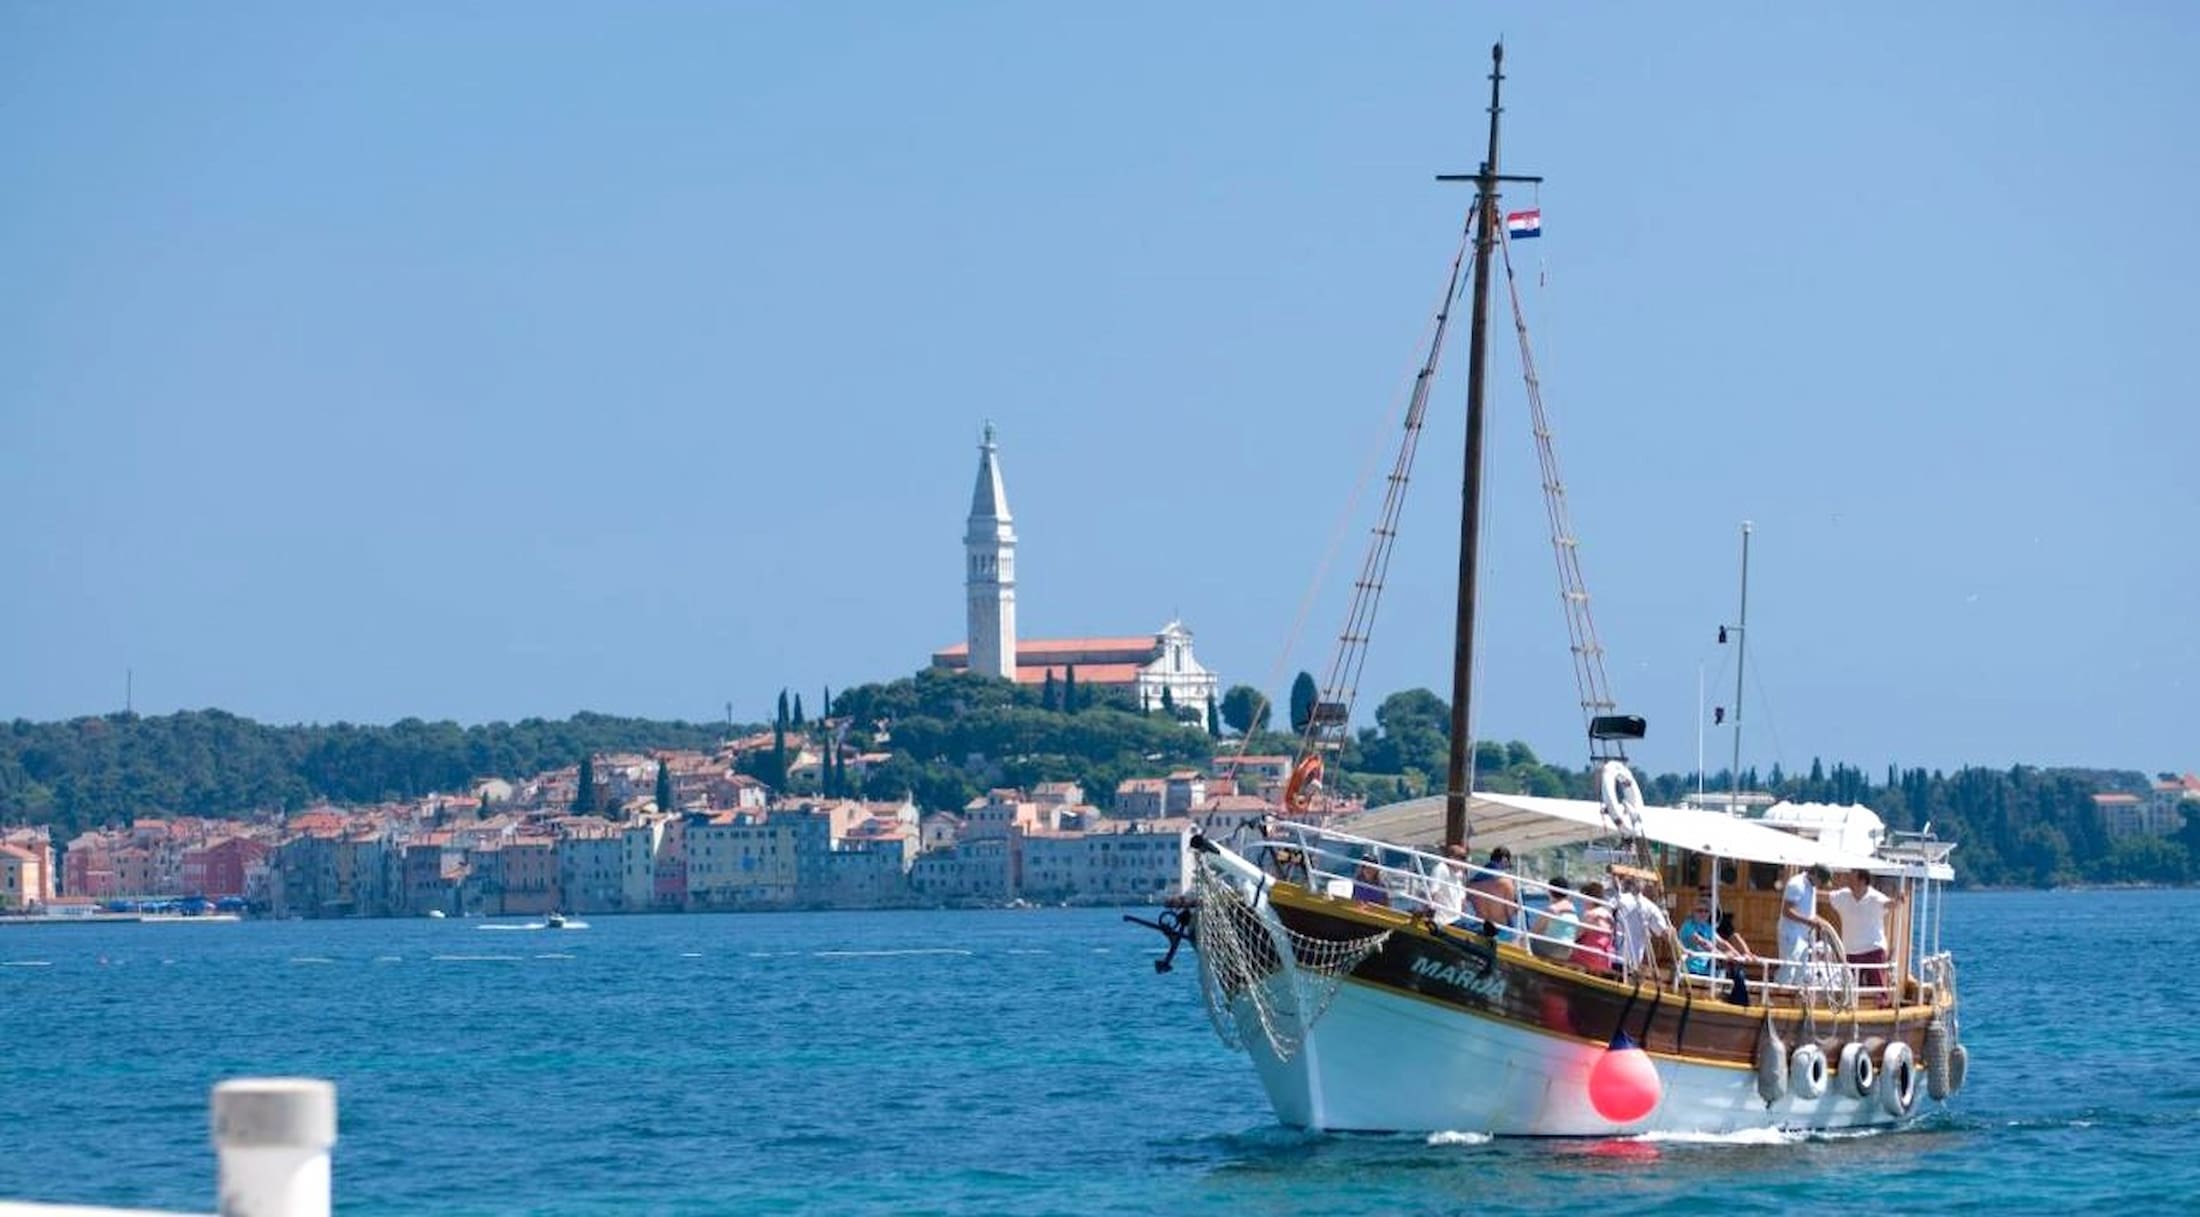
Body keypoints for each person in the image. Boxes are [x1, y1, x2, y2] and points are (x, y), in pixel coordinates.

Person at [1825, 868, 1904, 1005]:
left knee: (1878, 986)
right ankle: (1849, 1009)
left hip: (1873, 948)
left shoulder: (1875, 897)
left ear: (1862, 880)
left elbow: (1891, 904)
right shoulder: (1843, 896)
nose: (1848, 880)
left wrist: (1898, 899)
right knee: (1849, 987)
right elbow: (1825, 896)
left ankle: (1882, 1007)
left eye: (1852, 877)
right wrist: (1808, 891)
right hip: (1850, 950)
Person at [1777, 863, 1840, 988]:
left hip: (1804, 937)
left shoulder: (1812, 887)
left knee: (1801, 972)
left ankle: (1796, 1001)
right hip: (1791, 935)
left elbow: (1809, 913)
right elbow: (1787, 911)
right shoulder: (1796, 884)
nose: (1821, 885)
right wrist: (1809, 922)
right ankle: (1780, 996)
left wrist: (1822, 922)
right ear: (1815, 875)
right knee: (1788, 970)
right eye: (1821, 881)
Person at [1611, 870, 1677, 979]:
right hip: (1632, 963)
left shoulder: (1618, 900)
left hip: (1611, 958)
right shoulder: (1651, 907)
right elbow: (1664, 933)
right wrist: (1671, 930)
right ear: (1643, 887)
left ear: (1624, 884)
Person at [1466, 847, 1521, 942]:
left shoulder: (1472, 883)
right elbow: (1510, 912)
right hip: (1501, 931)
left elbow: (1468, 905)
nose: (1507, 869)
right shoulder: (1506, 882)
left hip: (1480, 927)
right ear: (1504, 860)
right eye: (1507, 866)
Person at [1569, 880, 1616, 973]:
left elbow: (1575, 936)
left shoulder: (1590, 915)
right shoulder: (1608, 915)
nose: (1583, 901)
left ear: (1588, 898)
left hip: (1588, 958)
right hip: (1605, 959)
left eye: (1584, 897)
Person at [1420, 842, 1470, 927]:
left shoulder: (1459, 874)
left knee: (1474, 926)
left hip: (1456, 919)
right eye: (1462, 858)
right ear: (1451, 858)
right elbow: (1432, 894)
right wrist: (1427, 916)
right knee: (1474, 928)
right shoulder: (1441, 869)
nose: (1465, 861)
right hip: (1444, 921)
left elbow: (1463, 901)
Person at [1532, 876, 1580, 960]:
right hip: (1567, 952)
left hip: (1552, 949)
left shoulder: (1552, 909)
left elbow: (1534, 931)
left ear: (1550, 891)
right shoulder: (1573, 909)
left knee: (1526, 939)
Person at [1676, 893, 1717, 978]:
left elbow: (1721, 942)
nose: (1703, 913)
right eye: (1700, 910)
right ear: (1693, 911)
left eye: (1706, 911)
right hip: (1689, 970)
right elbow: (1702, 942)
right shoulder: (1688, 926)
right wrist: (1723, 955)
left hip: (1705, 971)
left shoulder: (1708, 927)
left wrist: (1735, 953)